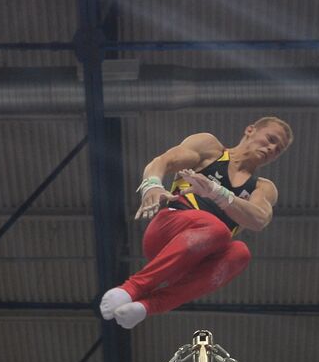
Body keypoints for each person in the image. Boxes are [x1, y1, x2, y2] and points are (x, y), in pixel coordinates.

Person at [99, 117, 293, 329]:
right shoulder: (210, 149)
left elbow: (259, 219)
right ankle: (131, 288)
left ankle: (146, 307)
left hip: (193, 261)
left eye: (278, 149)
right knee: (218, 229)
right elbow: (164, 161)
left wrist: (218, 193)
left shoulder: (263, 188)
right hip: (167, 232)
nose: (272, 148)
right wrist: (152, 185)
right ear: (250, 130)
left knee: (240, 253)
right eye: (270, 139)